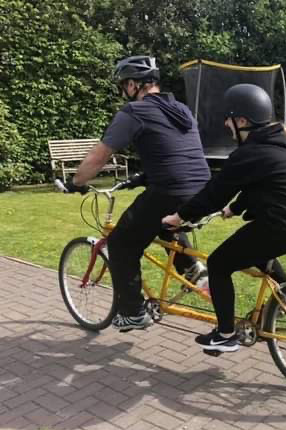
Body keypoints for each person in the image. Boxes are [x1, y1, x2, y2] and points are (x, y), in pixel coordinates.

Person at [162, 83, 286, 353]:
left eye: (229, 117)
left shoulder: (249, 153)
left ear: (243, 120)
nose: (226, 123)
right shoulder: (282, 148)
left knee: (219, 264)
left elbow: (214, 193)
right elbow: (256, 187)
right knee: (254, 248)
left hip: (282, 225)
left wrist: (179, 217)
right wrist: (234, 210)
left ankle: (225, 334)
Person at [66, 55, 211, 331]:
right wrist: (142, 178)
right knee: (161, 221)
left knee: (121, 243)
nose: (123, 92)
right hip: (204, 189)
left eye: (123, 86)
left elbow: (99, 157)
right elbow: (175, 154)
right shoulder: (181, 109)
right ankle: (191, 265)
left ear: (133, 84)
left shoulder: (134, 112)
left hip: (171, 190)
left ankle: (132, 312)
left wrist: (76, 182)